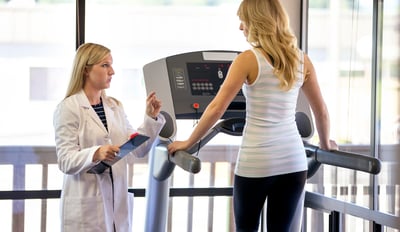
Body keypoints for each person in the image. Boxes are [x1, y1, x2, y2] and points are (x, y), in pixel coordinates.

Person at [167, 0, 338, 231]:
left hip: (257, 163)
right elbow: (321, 110)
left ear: (257, 22)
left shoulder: (248, 59)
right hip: (293, 162)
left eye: (243, 20)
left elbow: (216, 108)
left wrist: (188, 142)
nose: (241, 27)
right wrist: (326, 144)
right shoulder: (301, 60)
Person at [53, 42, 165, 232]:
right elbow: (65, 161)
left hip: (116, 209)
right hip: (86, 211)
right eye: (105, 65)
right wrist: (96, 153)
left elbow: (137, 149)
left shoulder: (114, 106)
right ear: (86, 70)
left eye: (111, 65)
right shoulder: (68, 108)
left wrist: (151, 118)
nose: (112, 71)